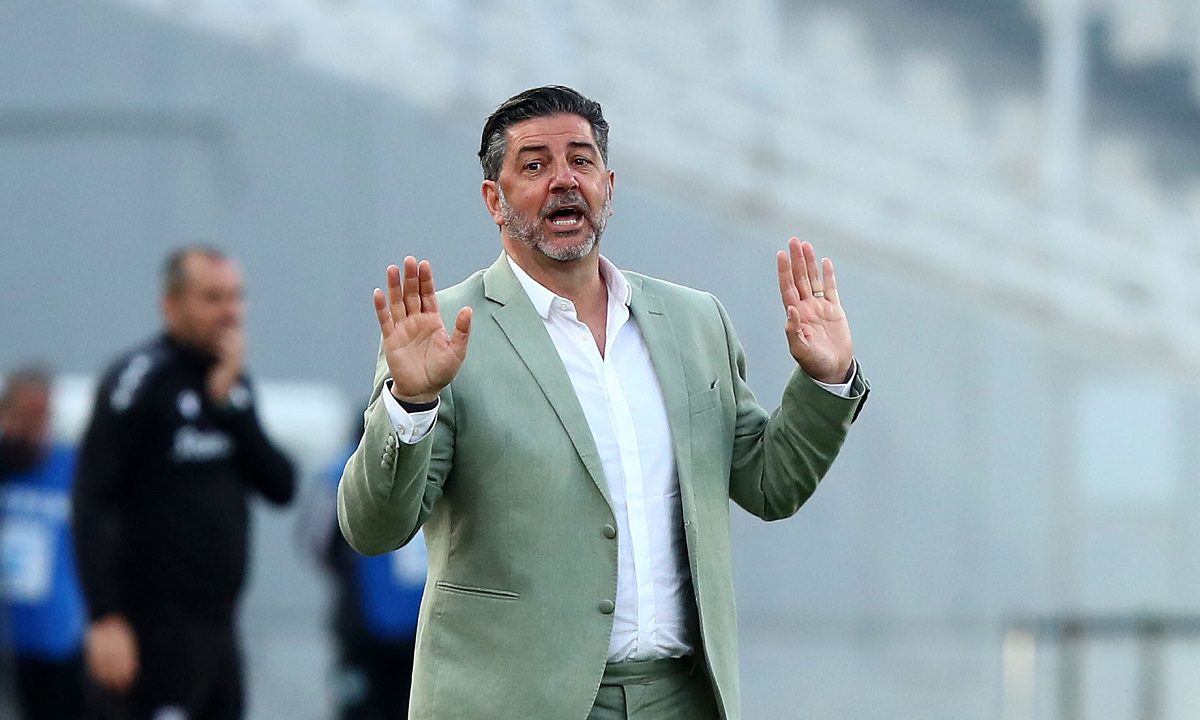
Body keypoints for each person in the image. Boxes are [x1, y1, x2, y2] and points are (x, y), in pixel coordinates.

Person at [337, 85, 870, 720]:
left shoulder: (694, 321)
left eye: (581, 161)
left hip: (681, 698)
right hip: (516, 703)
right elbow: (375, 529)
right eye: (535, 165)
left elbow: (769, 484)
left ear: (608, 187)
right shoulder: (444, 332)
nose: (564, 180)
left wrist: (826, 380)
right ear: (494, 200)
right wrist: (411, 401)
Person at [72, 246, 297, 720]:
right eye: (213, 298)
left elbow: (281, 486)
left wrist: (231, 406)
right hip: (149, 632)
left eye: (236, 297)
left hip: (219, 629)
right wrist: (104, 616)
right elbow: (94, 500)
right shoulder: (137, 382)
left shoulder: (231, 384)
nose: (231, 312)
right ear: (171, 304)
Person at [299, 416, 425, 720]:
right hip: (419, 623)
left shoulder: (342, 473)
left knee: (360, 706)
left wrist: (347, 569)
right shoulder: (429, 470)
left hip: (362, 624)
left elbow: (316, 542)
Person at [0, 365, 88, 720]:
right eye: (25, 416)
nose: (34, 429)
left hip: (59, 640)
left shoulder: (73, 467)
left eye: (42, 417)